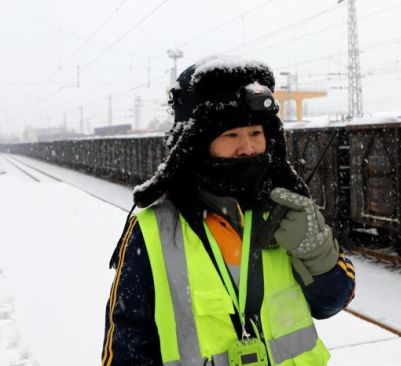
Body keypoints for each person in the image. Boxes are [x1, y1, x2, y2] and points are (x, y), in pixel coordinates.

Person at [101, 55, 356, 366]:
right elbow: (127, 346)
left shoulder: (286, 209)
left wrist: (316, 252)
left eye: (256, 133)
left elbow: (332, 302)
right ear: (194, 145)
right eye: (231, 135)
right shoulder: (154, 230)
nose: (247, 148)